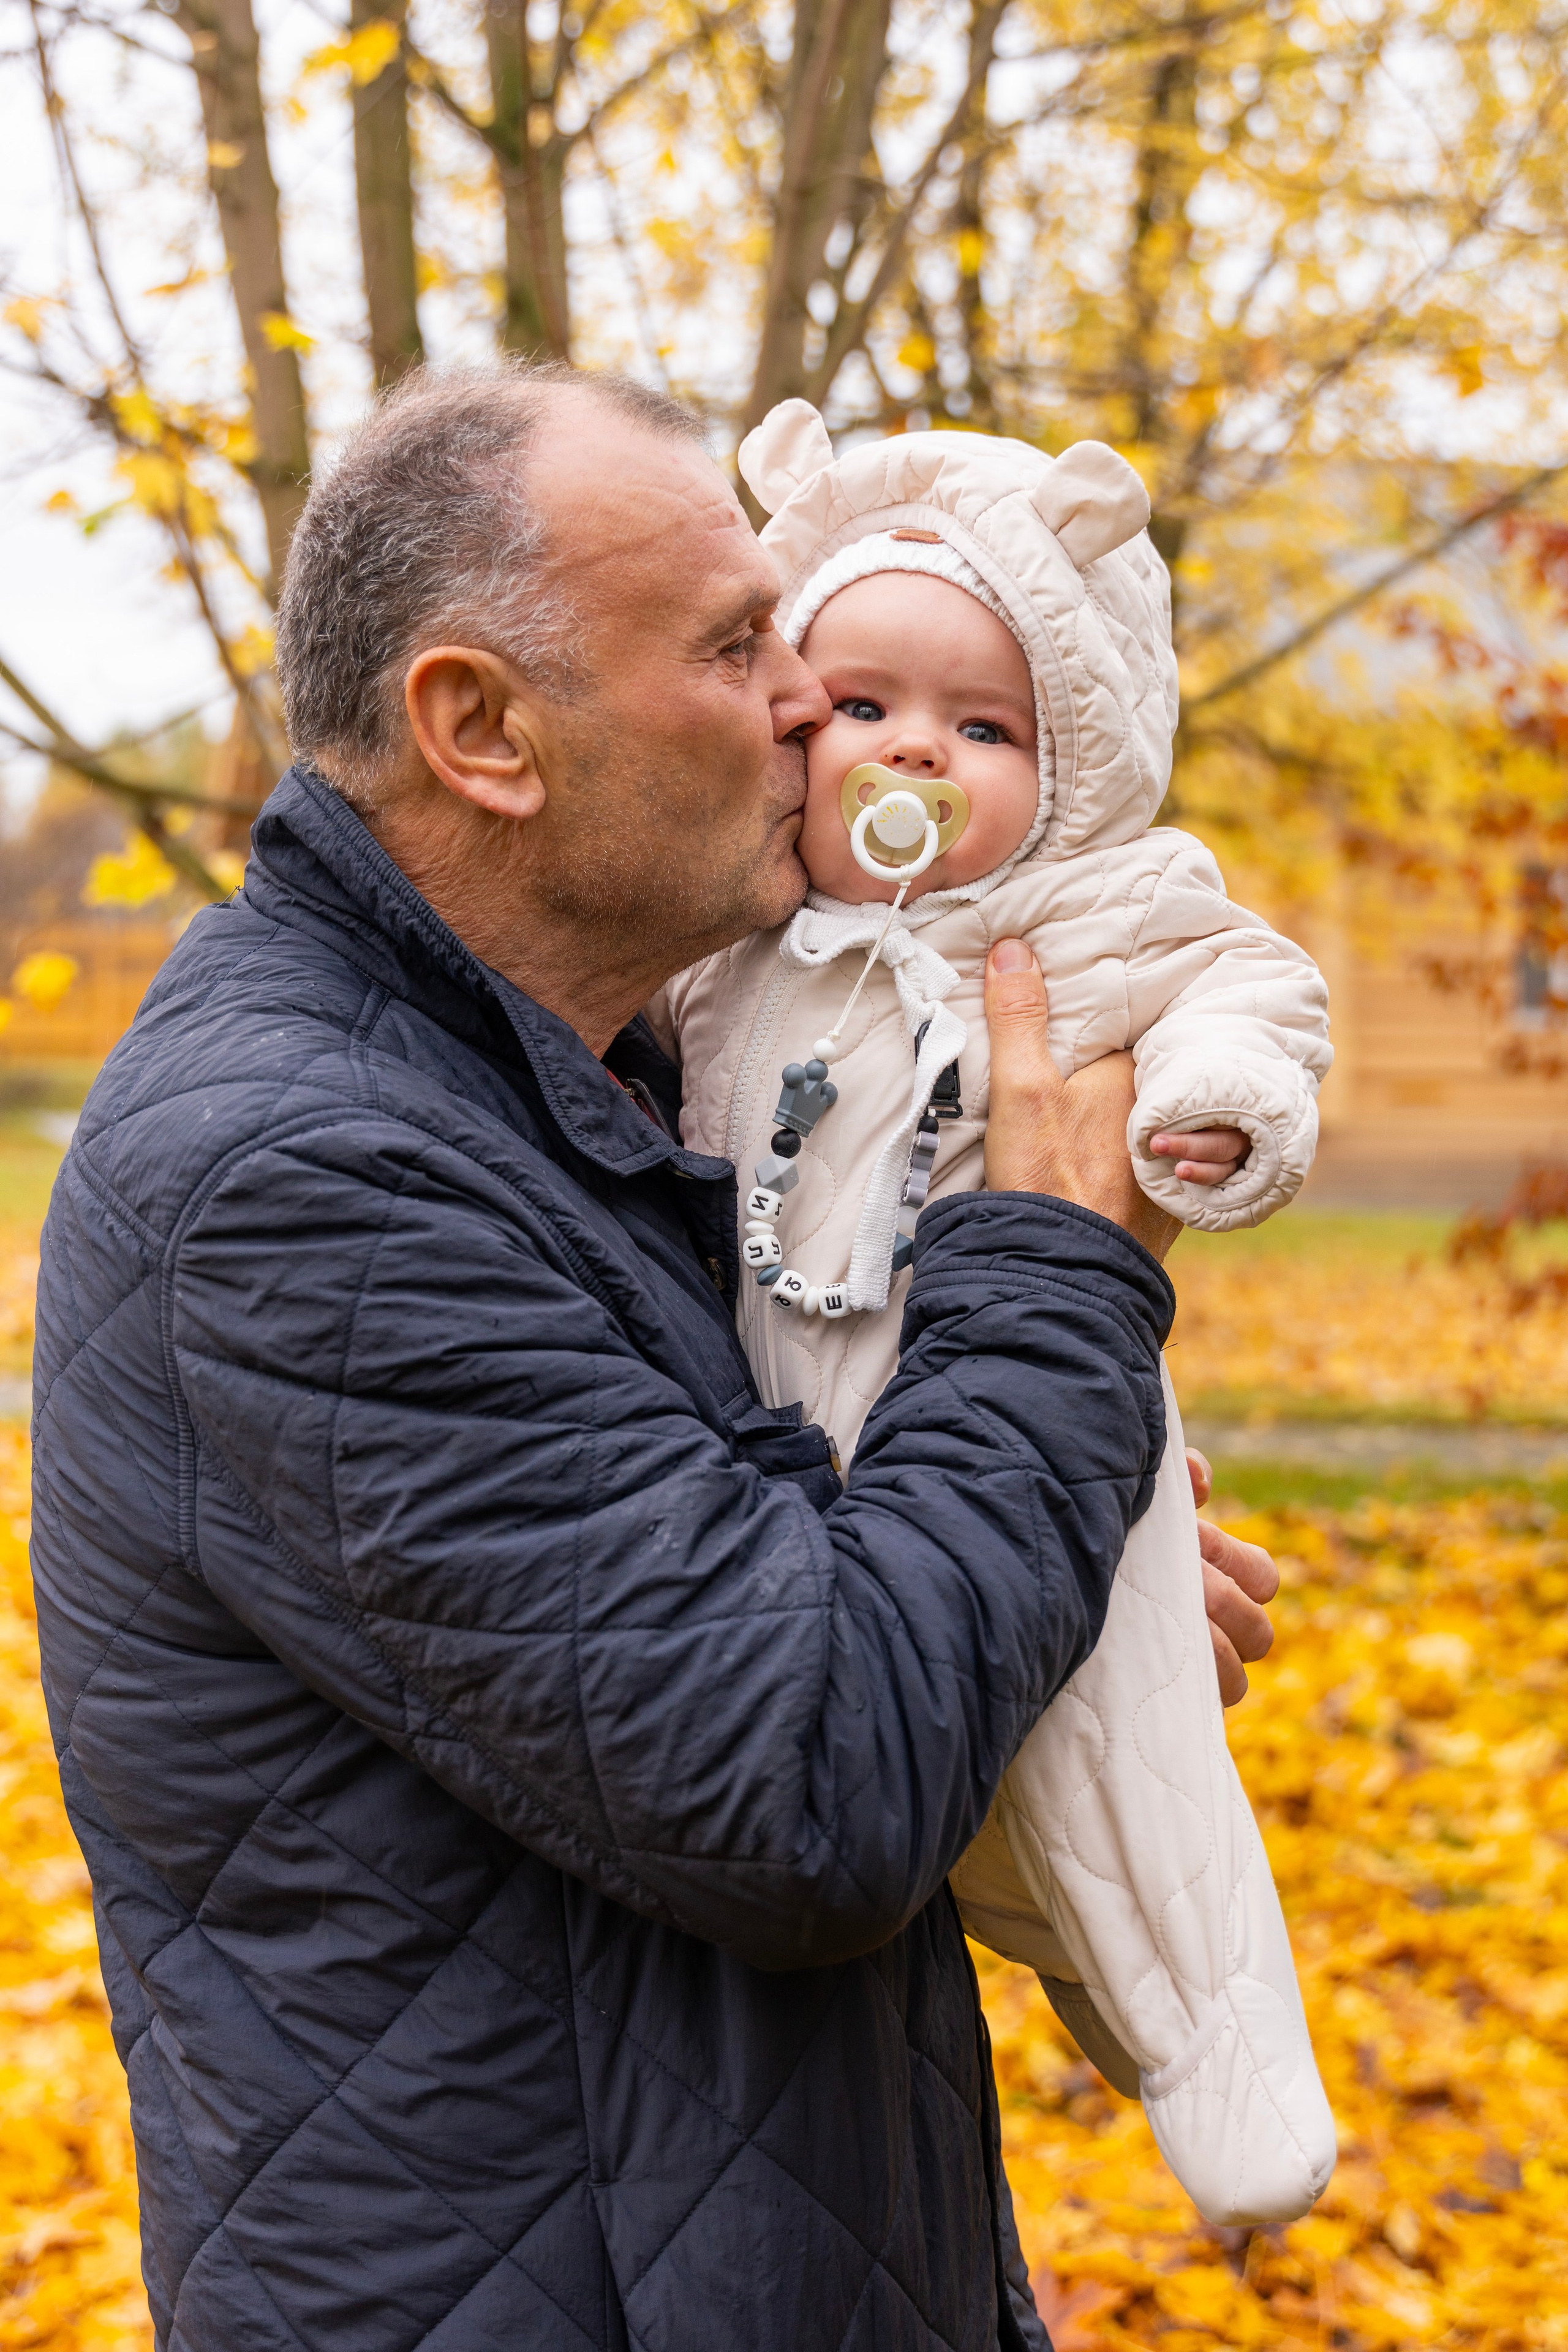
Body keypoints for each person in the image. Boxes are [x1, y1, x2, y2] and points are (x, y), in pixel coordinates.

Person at [29, 361, 1278, 2352]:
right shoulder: (304, 1184)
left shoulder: (581, 1095)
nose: (812, 692)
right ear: (480, 731)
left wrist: (1046, 1592)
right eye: (735, 638)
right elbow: (806, 1777)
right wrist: (1054, 1270)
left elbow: (763, 1624)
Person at [660, 402, 1337, 2226]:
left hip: (1022, 1399)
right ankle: (1103, 1999)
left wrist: (1213, 1112)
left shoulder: (1090, 910)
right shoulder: (733, 948)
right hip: (794, 1457)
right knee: (974, 1825)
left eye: (984, 728)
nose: (915, 755)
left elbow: (1252, 987)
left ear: (1075, 758)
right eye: (864, 704)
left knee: (1124, 1755)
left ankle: (1221, 2059)